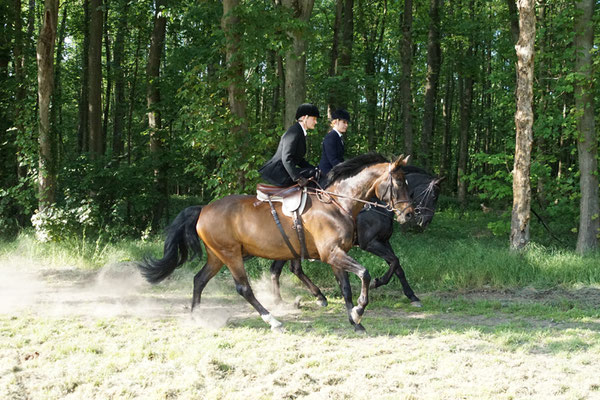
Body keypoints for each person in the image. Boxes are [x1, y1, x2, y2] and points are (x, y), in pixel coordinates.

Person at [259, 103, 320, 187]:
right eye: (314, 119)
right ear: (304, 118)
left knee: (315, 172)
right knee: (313, 174)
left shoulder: (299, 132)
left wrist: (315, 168)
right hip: (278, 173)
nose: (316, 122)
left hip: (285, 171)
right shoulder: (294, 132)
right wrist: (298, 178)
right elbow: (286, 158)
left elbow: (299, 160)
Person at [318, 109, 350, 176]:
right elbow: (333, 160)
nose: (346, 125)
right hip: (327, 173)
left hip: (335, 170)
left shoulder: (338, 137)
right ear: (336, 122)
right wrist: (345, 170)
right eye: (344, 122)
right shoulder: (331, 136)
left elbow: (340, 159)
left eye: (347, 123)